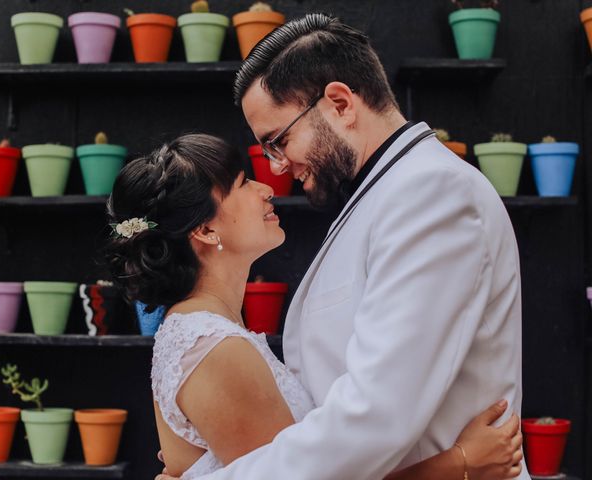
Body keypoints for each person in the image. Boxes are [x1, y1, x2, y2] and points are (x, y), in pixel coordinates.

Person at [157, 12, 529, 480]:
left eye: (278, 140)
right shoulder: (380, 193)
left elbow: (374, 419)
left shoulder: (431, 194)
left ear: (339, 103)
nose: (274, 168)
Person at [105, 134, 522, 480]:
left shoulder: (209, 331)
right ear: (205, 228)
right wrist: (462, 462)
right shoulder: (214, 346)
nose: (266, 187)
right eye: (242, 184)